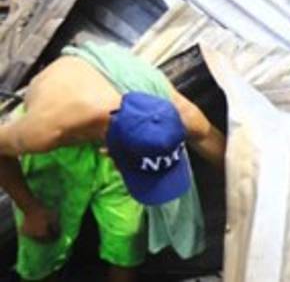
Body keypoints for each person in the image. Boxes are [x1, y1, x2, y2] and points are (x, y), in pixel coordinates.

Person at [0, 42, 225, 282]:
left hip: (115, 135)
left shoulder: (177, 114)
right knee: (44, 241)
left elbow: (222, 151)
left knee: (128, 237)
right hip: (60, 155)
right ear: (110, 152)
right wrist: (31, 210)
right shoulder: (46, 130)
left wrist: (254, 206)